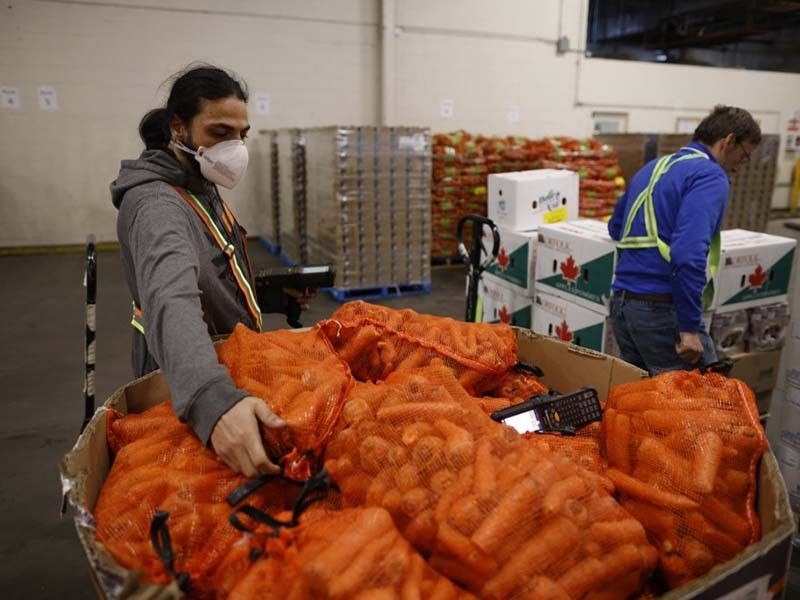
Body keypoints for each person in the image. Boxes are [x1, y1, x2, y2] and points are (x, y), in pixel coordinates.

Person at [111, 65, 311, 477]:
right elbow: (171, 299)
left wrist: (268, 296)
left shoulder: (198, 181)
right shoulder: (157, 206)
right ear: (179, 128)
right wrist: (210, 401)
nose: (234, 148)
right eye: (220, 133)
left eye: (242, 134)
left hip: (228, 358)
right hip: (184, 374)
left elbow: (212, 268)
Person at [608, 105, 761, 375]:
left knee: (644, 403)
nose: (739, 167)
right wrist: (689, 328)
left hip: (623, 307)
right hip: (661, 309)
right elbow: (688, 253)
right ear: (728, 141)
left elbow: (616, 227)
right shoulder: (710, 175)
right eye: (744, 155)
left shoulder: (653, 168)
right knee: (699, 403)